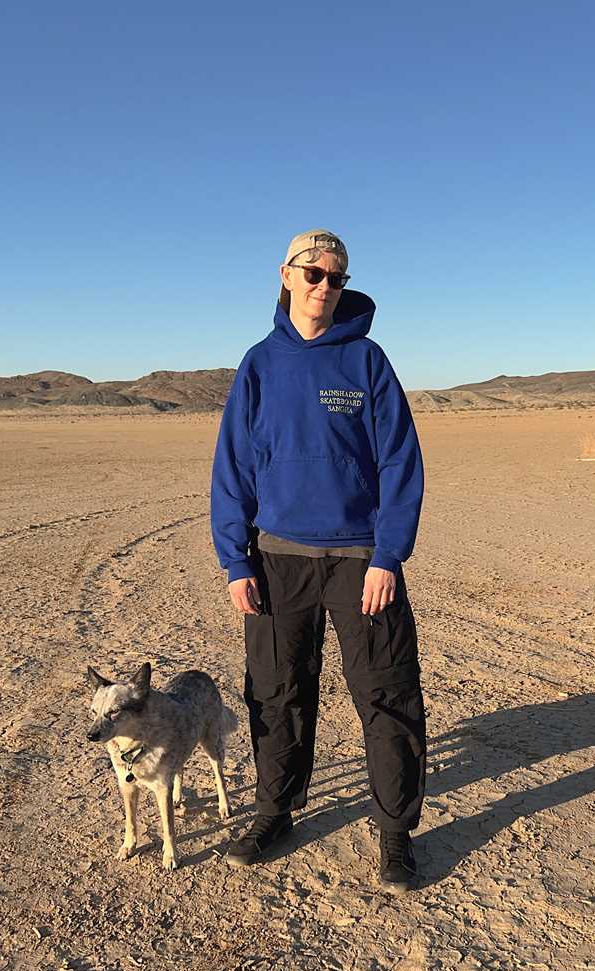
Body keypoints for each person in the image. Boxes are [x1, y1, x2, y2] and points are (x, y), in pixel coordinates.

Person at [210, 229, 427, 892]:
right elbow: (235, 466)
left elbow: (399, 462)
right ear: (286, 275)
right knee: (277, 693)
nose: (324, 287)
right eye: (313, 274)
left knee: (386, 694)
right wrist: (235, 560)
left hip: (362, 561)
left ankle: (395, 833)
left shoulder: (366, 362)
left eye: (336, 277)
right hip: (278, 559)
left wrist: (388, 555)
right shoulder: (260, 364)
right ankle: (275, 812)